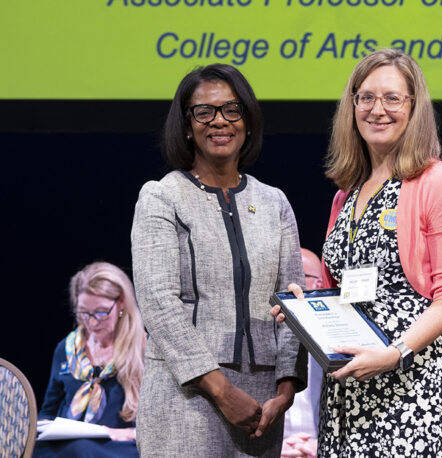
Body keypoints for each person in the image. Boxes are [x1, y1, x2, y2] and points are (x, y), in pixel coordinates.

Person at [274, 48, 442, 457]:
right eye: (365, 97)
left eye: (392, 98)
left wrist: (394, 352)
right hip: (348, 394)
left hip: (414, 392)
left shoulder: (439, 183)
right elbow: (343, 297)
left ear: (414, 107)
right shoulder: (345, 196)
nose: (377, 109)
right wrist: (307, 309)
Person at [131, 63, 306, 457]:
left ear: (247, 120)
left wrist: (286, 391)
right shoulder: (163, 197)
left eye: (232, 109)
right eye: (204, 111)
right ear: (187, 125)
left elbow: (294, 304)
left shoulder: (274, 202)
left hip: (263, 407)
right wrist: (223, 391)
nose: (219, 121)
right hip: (187, 396)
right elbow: (159, 304)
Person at [35, 262, 145, 458]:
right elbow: (48, 412)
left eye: (101, 312)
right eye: (84, 313)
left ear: (121, 302)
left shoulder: (145, 348)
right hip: (70, 445)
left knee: (83, 449)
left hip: (119, 446)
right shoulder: (67, 349)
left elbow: (164, 420)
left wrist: (128, 433)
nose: (92, 322)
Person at [280, 248, 324, 458]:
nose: (291, 286)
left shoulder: (337, 347)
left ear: (320, 284)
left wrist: (320, 447)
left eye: (301, 276)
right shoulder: (264, 340)